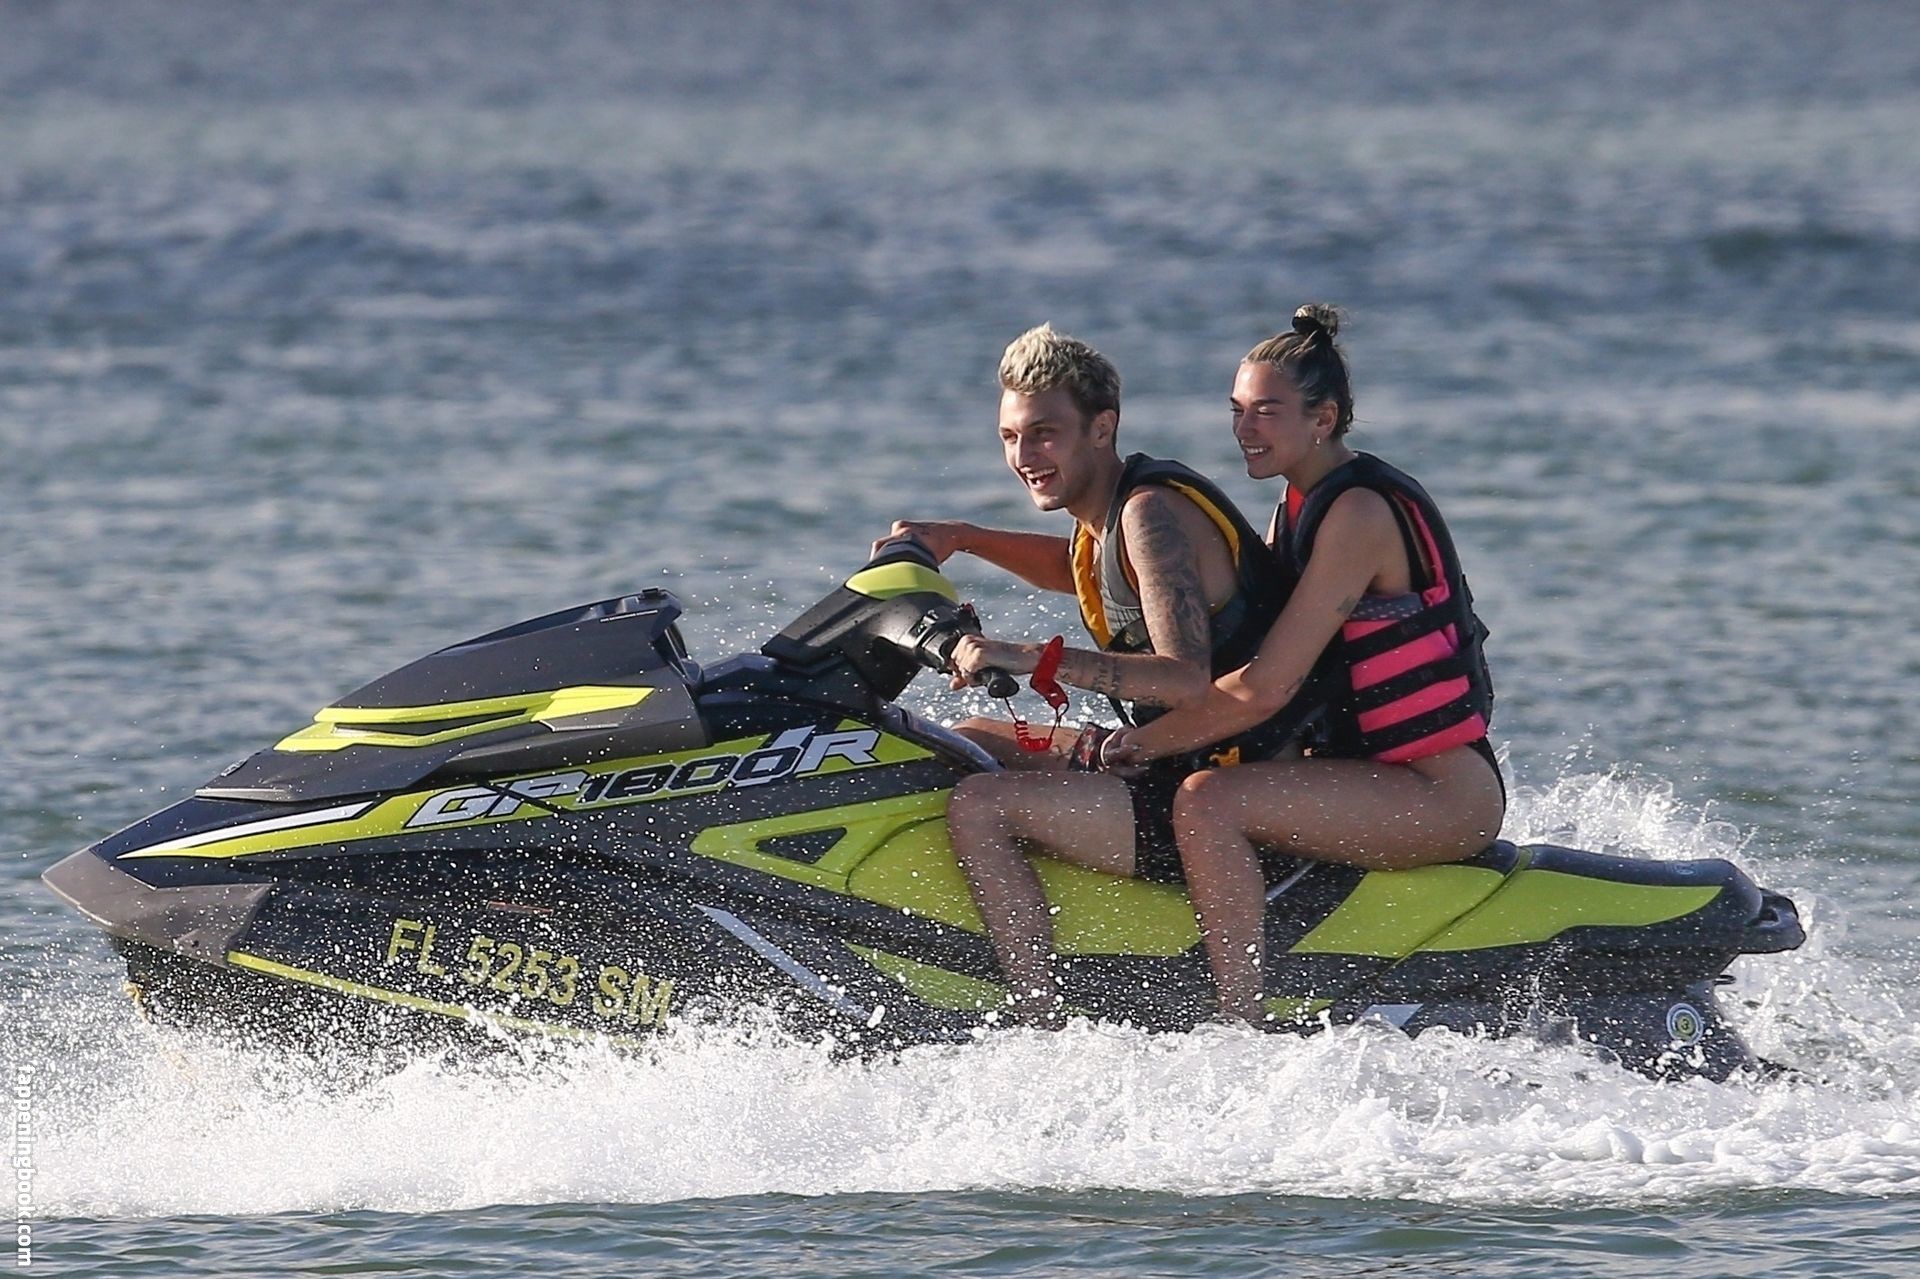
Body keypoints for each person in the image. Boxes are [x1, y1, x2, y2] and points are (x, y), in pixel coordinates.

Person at [1105, 305, 1506, 1023]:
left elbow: (1267, 686)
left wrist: (1142, 743)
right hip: (1368, 775)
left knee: (1207, 801)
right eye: (1236, 410)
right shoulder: (1296, 508)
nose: (1244, 429)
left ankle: (1240, 1020)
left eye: (1266, 411)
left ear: (1323, 419)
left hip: (1440, 791)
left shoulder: (1359, 514)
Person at [882, 323, 1290, 1024]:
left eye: (1044, 434)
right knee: (963, 737)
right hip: (1168, 756)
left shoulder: (1148, 514)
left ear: (1102, 428)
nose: (1024, 456)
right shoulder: (1106, 515)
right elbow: (1079, 569)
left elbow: (1185, 679)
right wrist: (961, 538)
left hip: (1220, 779)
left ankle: (1036, 1016)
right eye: (1010, 437)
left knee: (981, 803)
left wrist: (1027, 657)